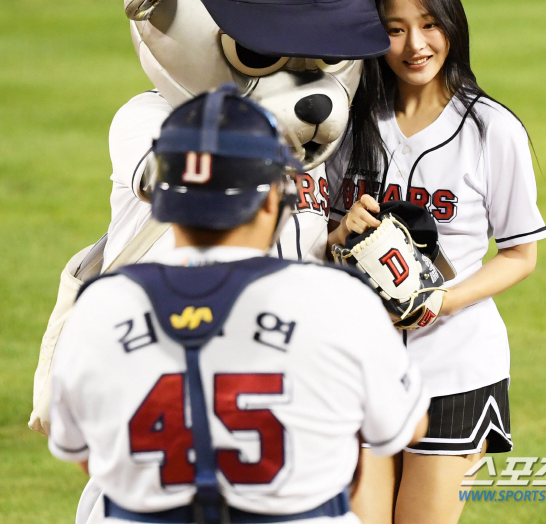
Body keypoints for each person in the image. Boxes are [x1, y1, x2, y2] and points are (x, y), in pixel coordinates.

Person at [48, 86, 429, 524]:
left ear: (167, 204)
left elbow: (82, 453)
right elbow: (402, 428)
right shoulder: (338, 300)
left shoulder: (102, 305)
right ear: (273, 200)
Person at [327, 0, 546, 524]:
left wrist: (438, 303)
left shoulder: (491, 130)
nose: (414, 45)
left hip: (455, 366)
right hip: (357, 364)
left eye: (429, 24)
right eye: (394, 29)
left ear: (453, 23)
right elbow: (318, 242)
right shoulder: (345, 123)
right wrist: (340, 231)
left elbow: (521, 254)